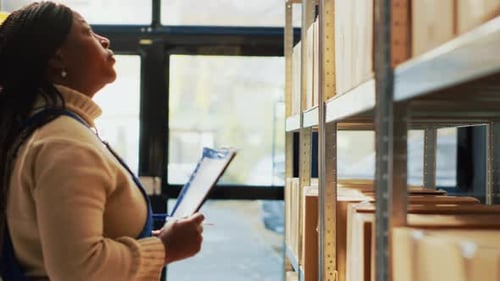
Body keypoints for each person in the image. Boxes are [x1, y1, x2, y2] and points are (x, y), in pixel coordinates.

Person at [0, 2, 205, 280]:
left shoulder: (46, 132)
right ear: (58, 58)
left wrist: (144, 239)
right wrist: (165, 248)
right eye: (87, 32)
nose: (104, 39)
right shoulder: (64, 143)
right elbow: (78, 270)